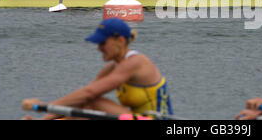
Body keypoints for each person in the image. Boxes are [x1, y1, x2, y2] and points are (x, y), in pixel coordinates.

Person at [22, 18, 173, 120]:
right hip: (134, 117)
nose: (99, 48)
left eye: (102, 43)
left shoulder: (136, 62)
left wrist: (42, 107)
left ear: (120, 40)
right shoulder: (111, 68)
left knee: (94, 103)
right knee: (84, 105)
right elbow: (80, 99)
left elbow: (89, 94)